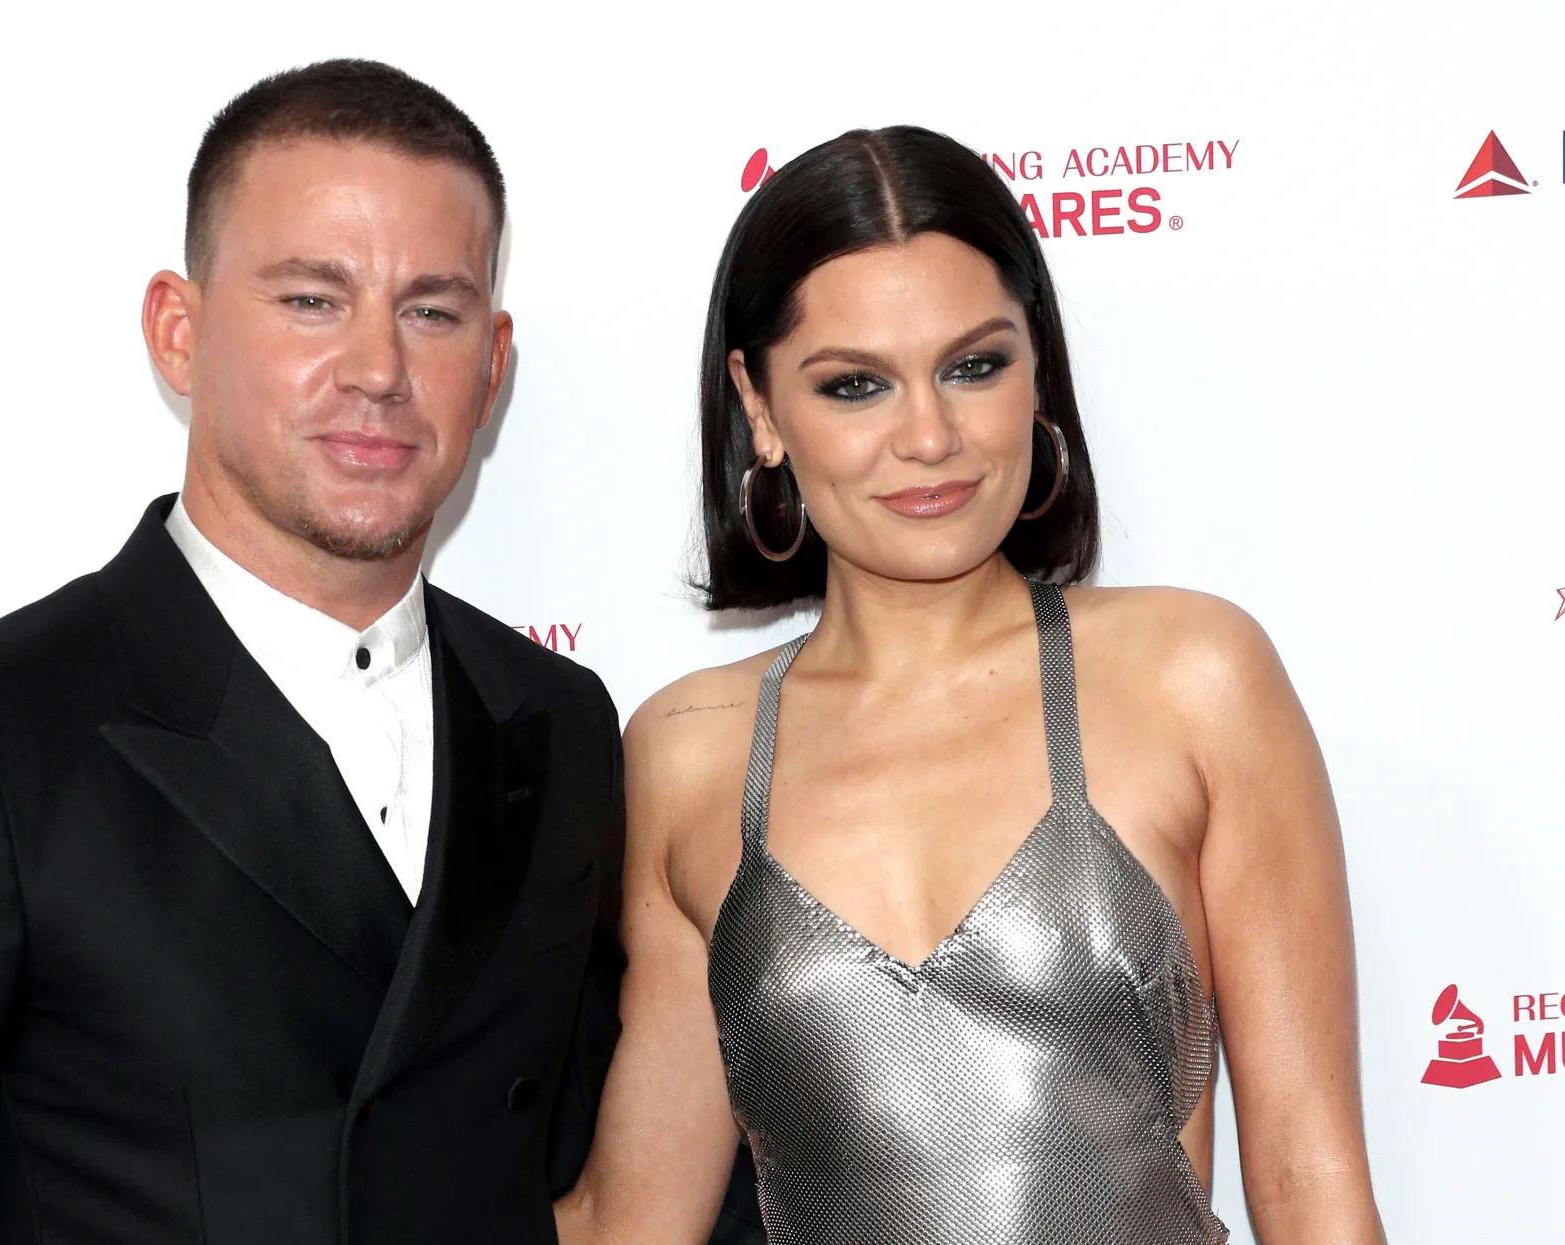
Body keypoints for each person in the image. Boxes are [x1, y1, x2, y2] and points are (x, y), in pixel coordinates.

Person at [0, 60, 631, 1245]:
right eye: (311, 300)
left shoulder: (558, 723)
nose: (379, 370)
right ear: (179, 332)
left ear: (493, 364)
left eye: (432, 311)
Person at [555, 126, 1387, 1244]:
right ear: (761, 408)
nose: (930, 436)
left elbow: (1308, 1180)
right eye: (855, 385)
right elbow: (631, 1222)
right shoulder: (691, 748)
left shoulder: (1195, 678)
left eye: (973, 366)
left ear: (1035, 367)